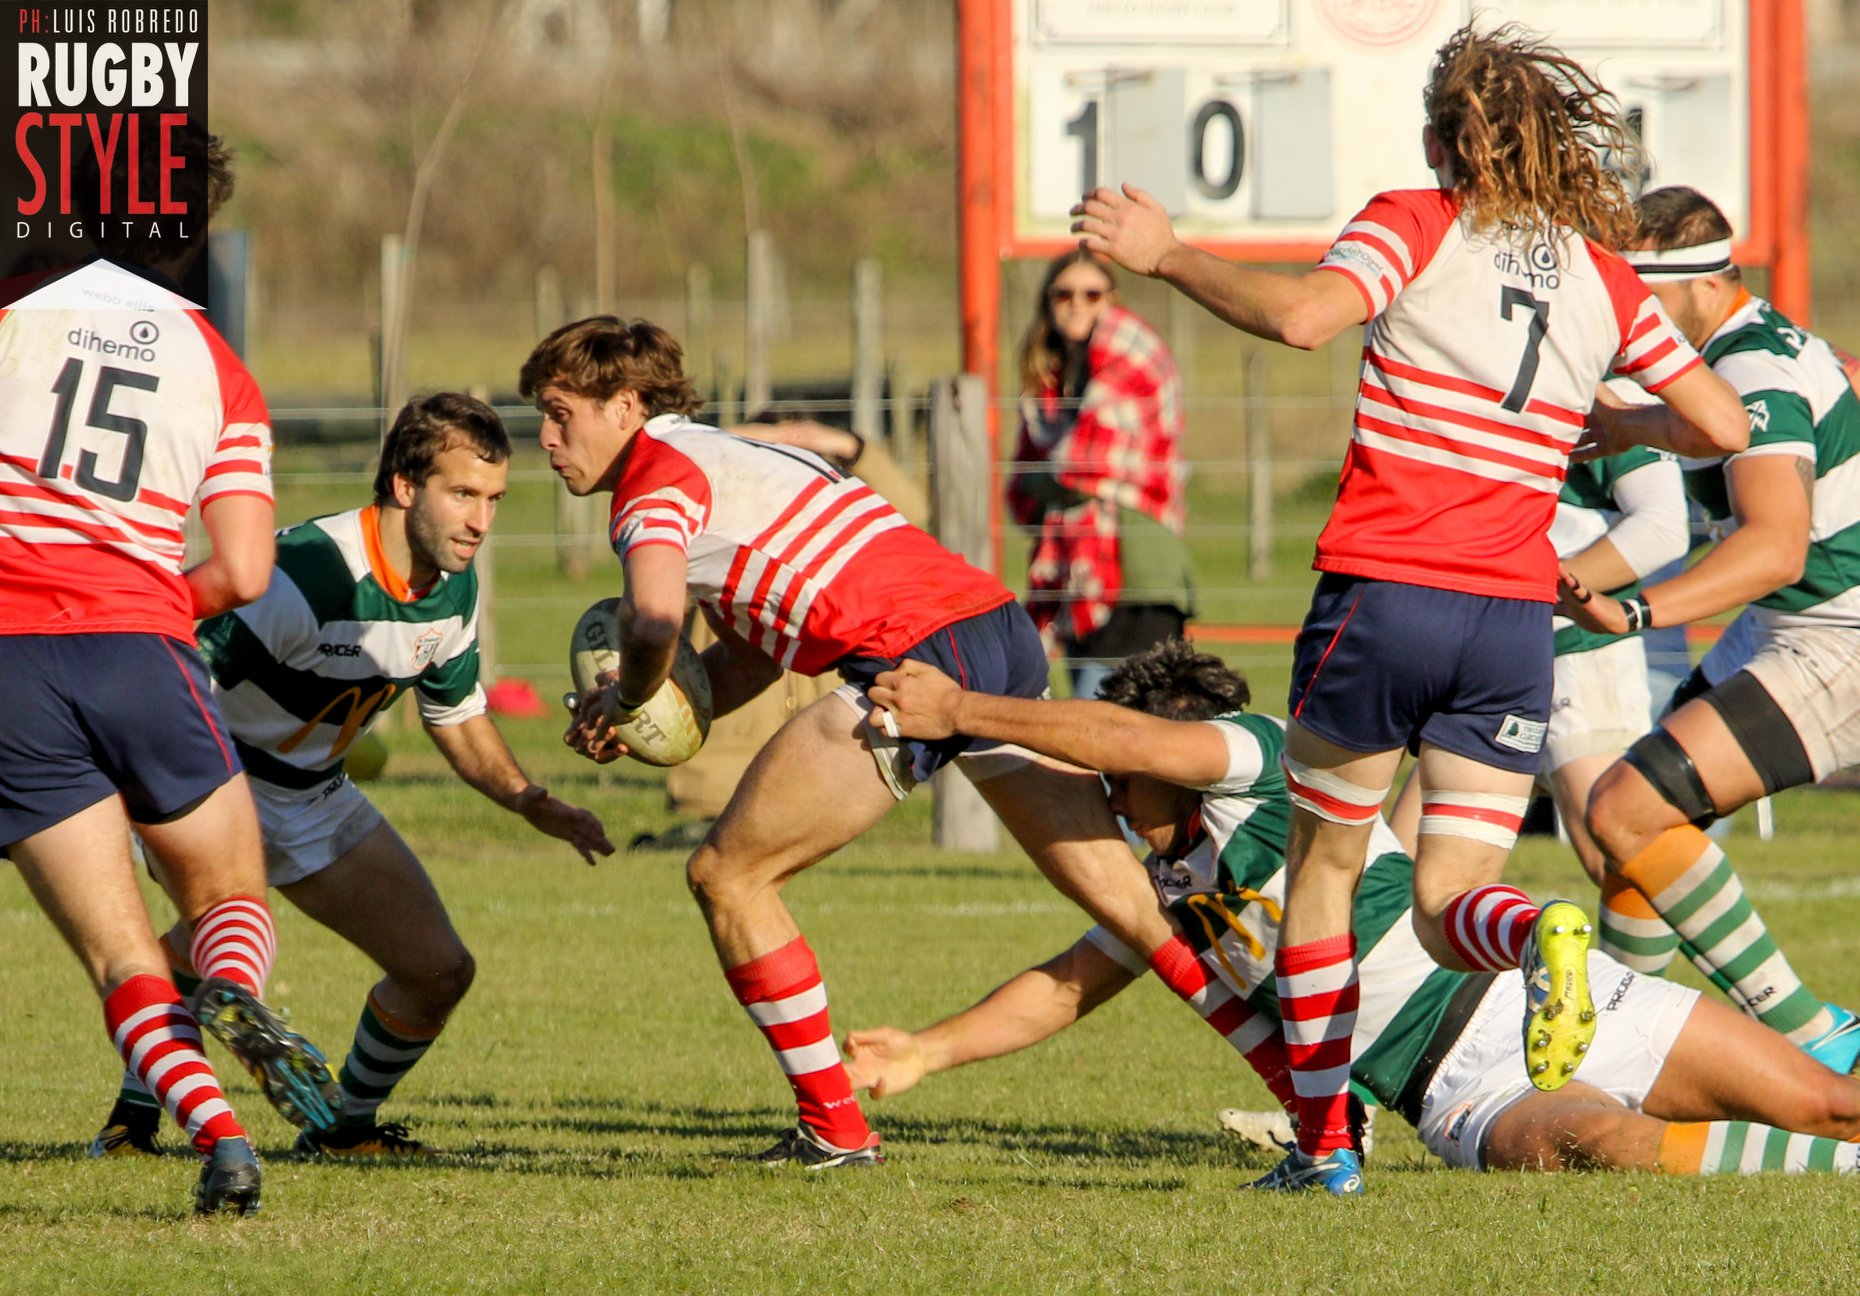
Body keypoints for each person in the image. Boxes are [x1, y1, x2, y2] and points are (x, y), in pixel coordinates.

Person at [1070, 22, 1750, 1193]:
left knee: (1327, 873)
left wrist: (1170, 253)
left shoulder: (1416, 220)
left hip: (1385, 596)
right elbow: (1725, 428)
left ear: (1447, 140)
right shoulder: (1602, 273)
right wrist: (1612, 424)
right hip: (1508, 626)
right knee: (1445, 904)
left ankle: (1327, 1149)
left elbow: (1301, 319)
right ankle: (1539, 934)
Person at [525, 316, 1178, 1169]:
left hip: (910, 669)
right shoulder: (737, 464)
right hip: (994, 630)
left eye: (559, 412)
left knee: (728, 874)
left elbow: (650, 620)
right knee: (1133, 904)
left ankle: (835, 1130)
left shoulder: (651, 489)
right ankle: (1312, 1109)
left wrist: (634, 694)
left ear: (626, 405)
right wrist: (649, 714)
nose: (545, 438)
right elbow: (753, 656)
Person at [852, 642, 1860, 1181]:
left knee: (1830, 1101)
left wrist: (965, 714)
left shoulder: (1257, 765)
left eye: (1122, 777)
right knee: (1596, 1147)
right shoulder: (1158, 894)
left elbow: (1135, 742)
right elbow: (1065, 987)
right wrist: (921, 1055)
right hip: (1454, 1090)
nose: (1112, 799)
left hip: (1547, 997)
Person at [89, 393, 615, 1160]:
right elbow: (171, 678)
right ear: (405, 485)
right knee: (217, 940)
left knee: (438, 971)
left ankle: (339, 1129)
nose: (481, 521)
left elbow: (458, 718)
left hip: (316, 794)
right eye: (462, 494)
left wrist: (531, 801)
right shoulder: (306, 574)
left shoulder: (453, 588)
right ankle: (135, 1118)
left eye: (495, 499)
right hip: (210, 777)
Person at [0, 125, 330, 1215]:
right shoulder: (216, 366)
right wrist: (138, 608)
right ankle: (232, 984)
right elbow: (241, 568)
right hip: (141, 645)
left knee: (117, 954)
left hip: (9, 667)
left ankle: (223, 1139)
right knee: (228, 892)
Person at [1565, 186, 1860, 1073]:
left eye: (1633, 301)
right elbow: (1714, 430)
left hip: (1832, 633)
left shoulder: (1754, 370)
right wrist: (1626, 421)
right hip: (1790, 624)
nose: (1624, 325)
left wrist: (1637, 612)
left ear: (1688, 287)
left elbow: (1773, 549)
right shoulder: (1748, 348)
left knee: (1623, 808)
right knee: (1632, 822)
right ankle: (1615, 1055)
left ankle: (1816, 1037)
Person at [1389, 435, 1689, 882]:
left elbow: (1662, 529)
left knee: (1628, 865)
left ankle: (1752, 956)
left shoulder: (1607, 391)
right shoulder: (1488, 382)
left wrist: (1526, 592)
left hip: (1578, 657)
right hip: (1493, 654)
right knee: (1405, 872)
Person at [1008, 250, 1194, 700]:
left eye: (1092, 294)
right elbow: (1022, 492)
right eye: (1064, 293)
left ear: (1113, 301)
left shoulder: (1132, 365)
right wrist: (1049, 479)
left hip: (1138, 570)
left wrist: (1050, 479)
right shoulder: (1052, 386)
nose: (1077, 304)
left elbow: (1077, 468)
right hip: (1072, 575)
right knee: (1091, 717)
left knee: (1117, 723)